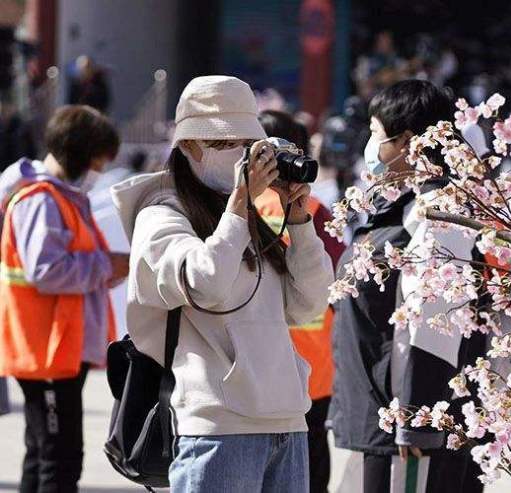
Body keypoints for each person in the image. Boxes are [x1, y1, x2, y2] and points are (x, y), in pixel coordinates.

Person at [111, 76, 333, 492]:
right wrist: (236, 209)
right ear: (188, 146)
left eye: (244, 144)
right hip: (217, 426)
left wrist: (300, 222)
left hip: (287, 420)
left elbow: (309, 305)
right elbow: (204, 284)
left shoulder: (248, 218)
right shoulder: (161, 216)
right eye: (220, 142)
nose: (235, 154)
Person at [330, 80, 486, 492]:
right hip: (382, 418)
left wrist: (418, 419)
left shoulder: (438, 216)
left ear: (408, 142)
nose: (370, 145)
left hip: (408, 429)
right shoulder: (404, 207)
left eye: (377, 134)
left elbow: (436, 324)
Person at [0, 105, 127, 493]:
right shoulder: (43, 200)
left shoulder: (59, 197)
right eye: (97, 162)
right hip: (48, 350)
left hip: (56, 349)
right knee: (59, 459)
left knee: (43, 453)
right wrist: (108, 265)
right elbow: (47, 270)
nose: (99, 173)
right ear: (78, 155)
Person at [256, 110, 345, 493]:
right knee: (310, 462)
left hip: (260, 362)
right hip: (313, 366)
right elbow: (341, 274)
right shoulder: (314, 211)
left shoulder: (238, 206)